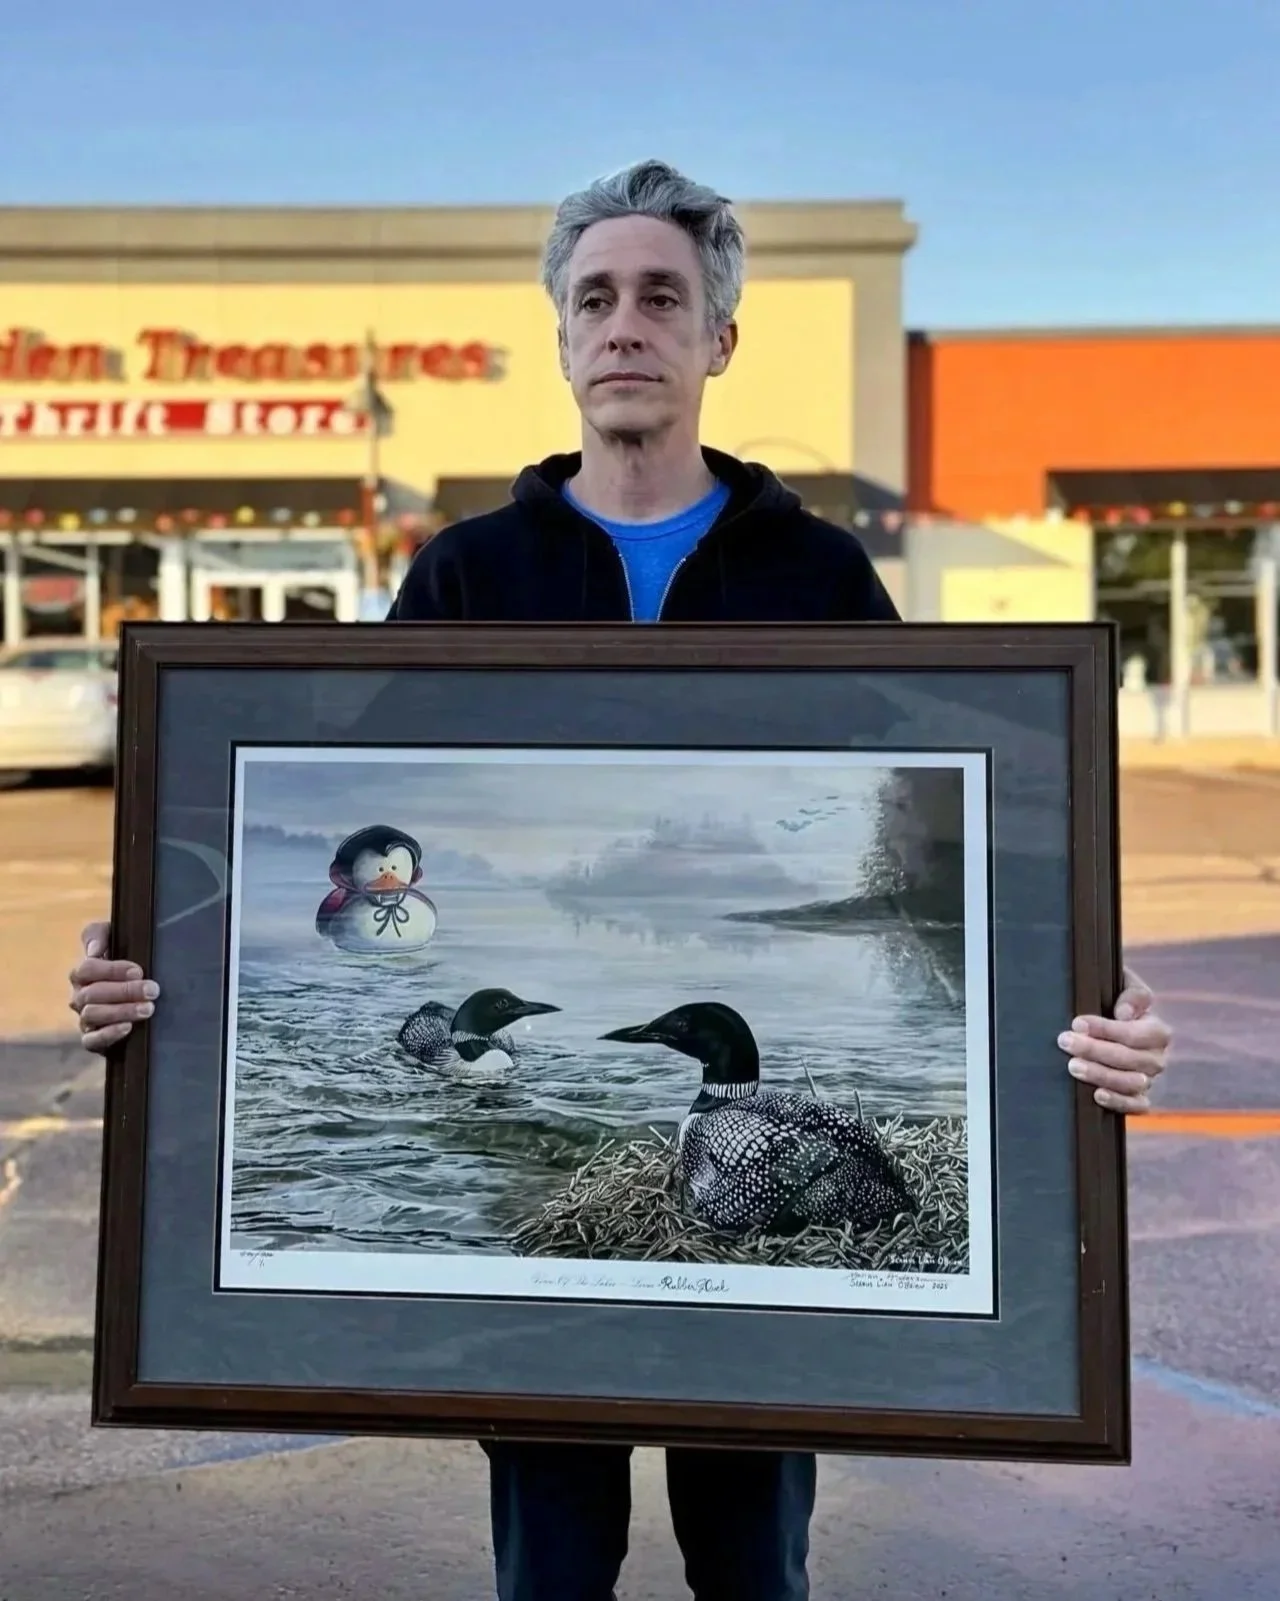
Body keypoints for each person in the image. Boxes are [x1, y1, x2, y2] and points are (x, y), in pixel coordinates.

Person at [68, 159, 1174, 1601]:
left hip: (764, 1303)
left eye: (662, 295)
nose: (626, 323)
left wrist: (1096, 998)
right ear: (563, 336)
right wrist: (170, 940)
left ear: (718, 337)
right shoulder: (466, 574)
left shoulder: (822, 573)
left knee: (754, 1568)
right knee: (550, 1568)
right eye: (596, 298)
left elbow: (949, 849)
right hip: (533, 1307)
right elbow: (368, 839)